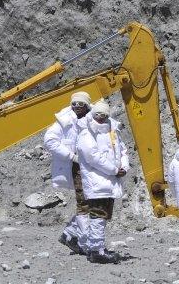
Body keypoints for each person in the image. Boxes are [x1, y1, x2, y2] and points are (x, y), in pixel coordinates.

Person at [76, 100, 129, 264]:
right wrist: (114, 170)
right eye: (98, 114)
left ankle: (97, 248)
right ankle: (96, 250)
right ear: (93, 114)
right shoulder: (86, 133)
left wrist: (124, 167)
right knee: (98, 215)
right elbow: (93, 157)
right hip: (97, 181)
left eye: (104, 115)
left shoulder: (112, 131)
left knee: (102, 216)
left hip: (109, 181)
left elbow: (122, 151)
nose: (101, 118)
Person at [43, 91, 93, 254]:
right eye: (74, 104)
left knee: (95, 202)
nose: (77, 107)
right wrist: (72, 156)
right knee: (84, 203)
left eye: (81, 104)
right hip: (77, 168)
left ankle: (71, 234)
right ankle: (79, 239)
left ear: (87, 105)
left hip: (93, 167)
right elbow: (49, 140)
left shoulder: (94, 118)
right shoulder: (64, 120)